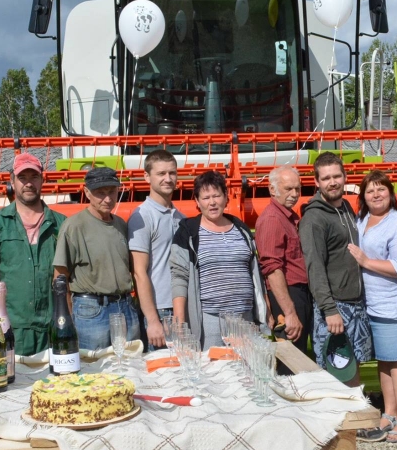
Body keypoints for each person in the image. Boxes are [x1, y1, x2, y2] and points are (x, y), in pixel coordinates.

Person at [348, 171, 397, 443]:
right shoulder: (362, 220)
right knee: (385, 360)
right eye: (370, 191)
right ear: (363, 197)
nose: (376, 194)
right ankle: (389, 413)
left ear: (390, 193)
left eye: (381, 189)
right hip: (373, 304)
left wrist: (366, 262)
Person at [0, 152, 65, 356]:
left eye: (34, 177)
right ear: (12, 181)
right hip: (10, 327)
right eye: (22, 178)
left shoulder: (62, 224)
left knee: (57, 386)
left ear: (43, 180)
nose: (29, 183)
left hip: (54, 326)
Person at [170, 170, 268, 348]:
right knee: (213, 371)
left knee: (246, 370)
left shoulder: (242, 229)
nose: (212, 202)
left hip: (245, 318)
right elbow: (179, 277)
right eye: (206, 198)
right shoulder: (188, 232)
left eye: (217, 196)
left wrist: (265, 309)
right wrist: (180, 321)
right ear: (197, 202)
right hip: (210, 321)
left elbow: (255, 273)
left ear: (226, 198)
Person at [299, 152, 373, 387]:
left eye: (337, 176)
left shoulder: (347, 208)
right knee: (336, 371)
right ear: (317, 182)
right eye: (326, 178)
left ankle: (354, 421)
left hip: (355, 302)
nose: (332, 182)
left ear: (345, 176)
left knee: (353, 369)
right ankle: (337, 422)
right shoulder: (314, 218)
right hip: (335, 306)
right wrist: (329, 310)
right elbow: (315, 267)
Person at [54, 167, 139, 348]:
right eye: (100, 193)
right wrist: (67, 319)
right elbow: (60, 277)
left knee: (131, 367)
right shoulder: (74, 227)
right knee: (95, 369)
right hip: (91, 311)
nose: (108, 199)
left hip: (124, 306)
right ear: (87, 193)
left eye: (112, 191)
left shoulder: (121, 225)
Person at [128, 149, 185, 348]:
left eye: (172, 173)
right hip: (160, 310)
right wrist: (152, 320)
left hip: (181, 306)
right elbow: (139, 272)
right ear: (147, 177)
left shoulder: (180, 216)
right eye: (161, 174)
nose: (168, 179)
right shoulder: (142, 216)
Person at [255, 165, 311, 351]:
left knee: (299, 356)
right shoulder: (273, 219)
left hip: (296, 294)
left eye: (297, 188)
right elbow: (272, 269)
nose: (294, 194)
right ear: (272, 189)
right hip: (288, 295)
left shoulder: (287, 216)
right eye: (288, 189)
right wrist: (289, 312)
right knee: (292, 361)